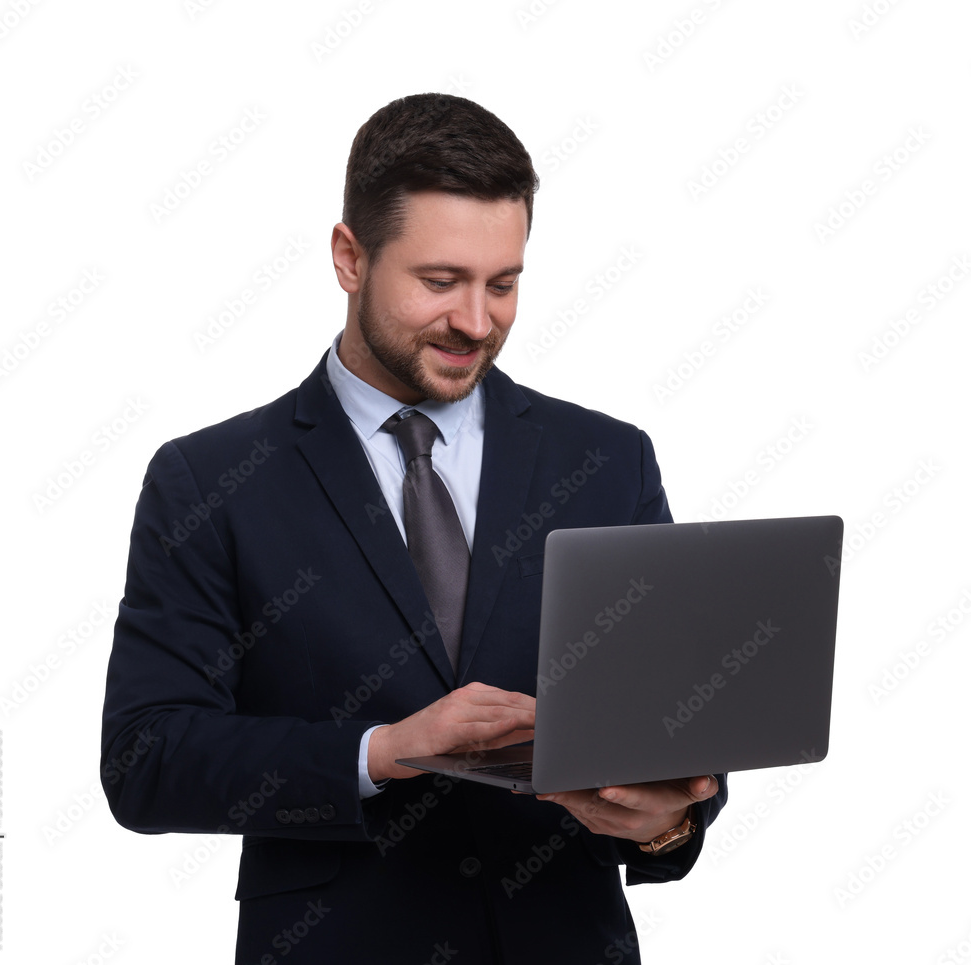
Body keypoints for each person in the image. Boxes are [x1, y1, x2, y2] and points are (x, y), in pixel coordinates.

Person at [101, 92, 727, 964]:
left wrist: (667, 821)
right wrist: (382, 750)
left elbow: (673, 726)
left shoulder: (609, 460)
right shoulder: (211, 480)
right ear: (349, 257)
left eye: (502, 283)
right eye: (440, 282)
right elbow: (148, 755)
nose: (477, 321)